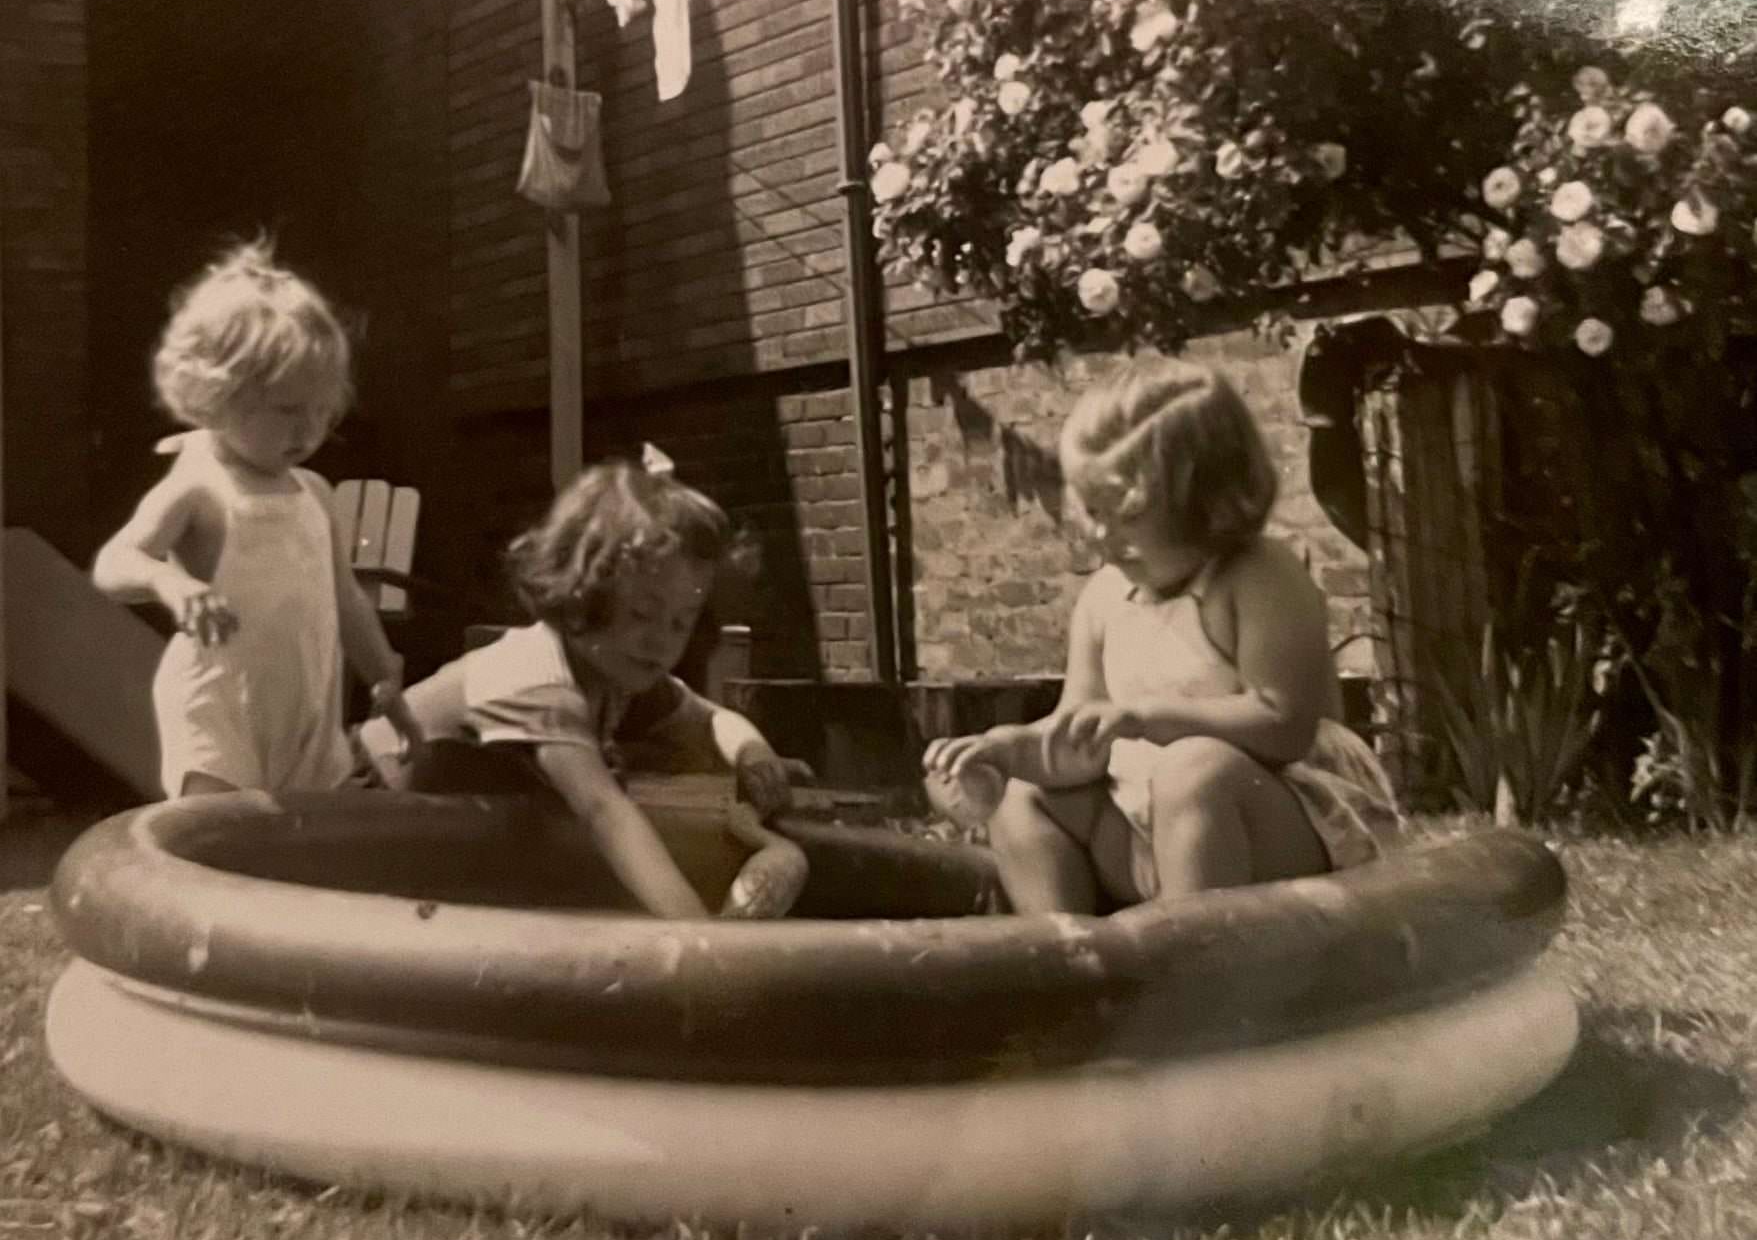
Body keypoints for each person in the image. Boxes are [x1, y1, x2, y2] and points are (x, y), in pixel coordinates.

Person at [923, 359, 1400, 914]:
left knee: (1193, 770)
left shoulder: (1257, 576)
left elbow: (1284, 724)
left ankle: (1194, 971)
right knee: (1022, 798)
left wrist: (1146, 716)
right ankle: (1070, 959)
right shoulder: (1105, 598)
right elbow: (1078, 742)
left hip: (1285, 825)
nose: (1102, 536)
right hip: (1146, 826)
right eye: (1093, 512)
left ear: (1208, 504)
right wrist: (1008, 751)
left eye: (1127, 516)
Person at [356, 456, 809, 920]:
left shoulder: (615, 671)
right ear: (581, 596)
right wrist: (700, 941)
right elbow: (603, 813)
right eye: (641, 613)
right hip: (359, 818)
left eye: (681, 622)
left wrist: (754, 754)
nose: (661, 640)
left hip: (447, 839)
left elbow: (711, 719)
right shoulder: (533, 679)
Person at [92, 238, 420, 799]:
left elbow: (346, 599)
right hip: (218, 706)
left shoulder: (314, 492)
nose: (308, 430)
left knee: (307, 837)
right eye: (289, 411)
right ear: (216, 398)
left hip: (306, 711)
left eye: (321, 411)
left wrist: (385, 675)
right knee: (220, 837)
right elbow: (113, 563)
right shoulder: (200, 488)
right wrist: (171, 582)